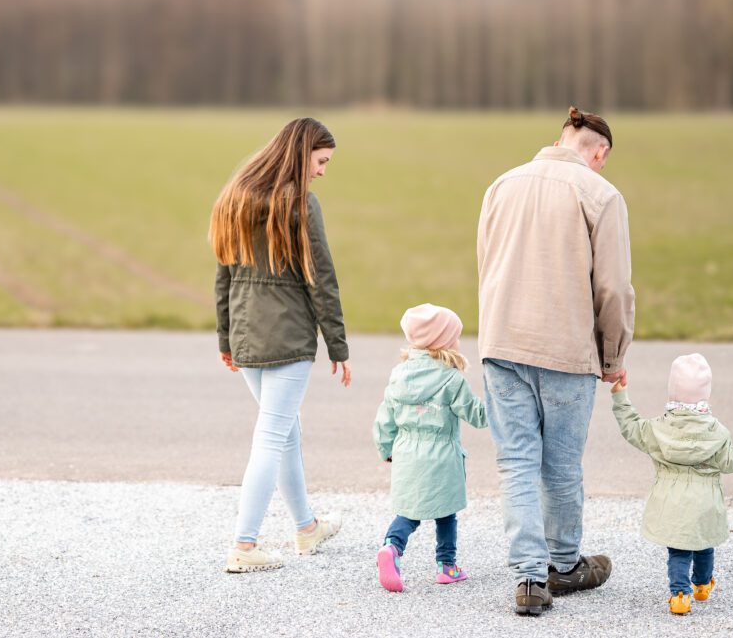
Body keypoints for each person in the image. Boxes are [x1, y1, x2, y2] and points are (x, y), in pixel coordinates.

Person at [476, 106, 635, 614]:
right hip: (566, 347)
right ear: (599, 151)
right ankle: (563, 566)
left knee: (517, 463)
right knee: (561, 466)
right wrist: (613, 357)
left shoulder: (501, 184)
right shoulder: (600, 194)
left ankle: (527, 579)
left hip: (501, 341)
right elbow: (612, 288)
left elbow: (486, 262)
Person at [210, 117, 351, 573]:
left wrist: (225, 336)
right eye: (322, 161)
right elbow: (321, 279)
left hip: (247, 336)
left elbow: (223, 275)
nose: (323, 171)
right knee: (272, 437)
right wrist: (338, 346)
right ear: (302, 153)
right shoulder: (301, 206)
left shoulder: (237, 197)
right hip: (288, 339)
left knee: (286, 432)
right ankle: (244, 546)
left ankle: (307, 528)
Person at [610, 353, 733, 615]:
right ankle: (702, 585)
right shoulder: (717, 432)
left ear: (672, 391)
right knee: (705, 545)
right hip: (706, 505)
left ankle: (680, 595)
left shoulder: (658, 429)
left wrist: (620, 397)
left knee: (679, 551)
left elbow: (631, 427)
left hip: (672, 504)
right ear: (705, 393)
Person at [373, 304, 487, 593]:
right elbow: (478, 416)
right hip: (442, 456)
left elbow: (384, 418)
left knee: (409, 512)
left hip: (407, 455)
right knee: (446, 513)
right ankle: (447, 567)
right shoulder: (451, 379)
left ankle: (391, 547)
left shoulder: (398, 375)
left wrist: (386, 449)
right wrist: (501, 403)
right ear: (444, 342)